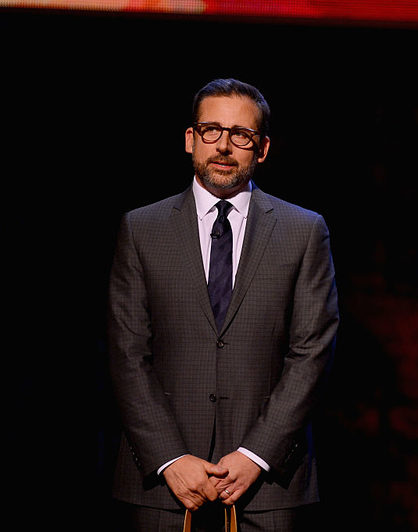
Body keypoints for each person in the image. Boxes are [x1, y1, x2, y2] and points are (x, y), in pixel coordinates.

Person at [108, 78, 339, 531]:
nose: (224, 146)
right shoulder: (141, 228)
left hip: (269, 485)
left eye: (242, 135)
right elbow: (127, 353)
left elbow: (312, 352)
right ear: (190, 138)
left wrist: (257, 454)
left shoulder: (303, 230)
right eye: (211, 130)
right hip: (162, 484)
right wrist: (169, 457)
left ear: (263, 148)